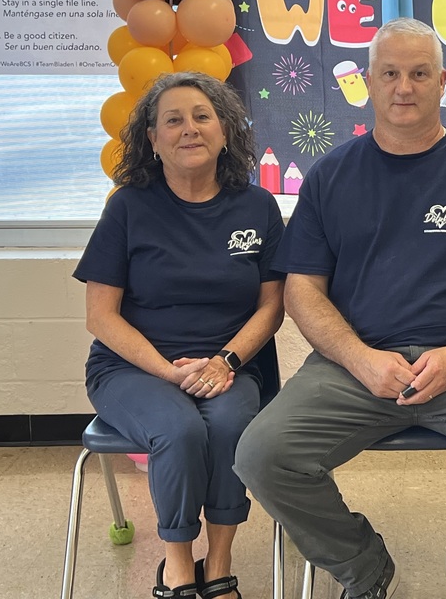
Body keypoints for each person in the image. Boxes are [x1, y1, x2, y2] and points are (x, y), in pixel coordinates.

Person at [234, 18, 446, 599]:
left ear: (443, 82)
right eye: (390, 73)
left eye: (420, 73)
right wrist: (362, 359)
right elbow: (302, 292)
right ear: (368, 82)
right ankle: (362, 567)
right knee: (262, 455)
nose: (404, 87)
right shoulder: (329, 176)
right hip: (353, 366)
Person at [74, 71, 285, 599]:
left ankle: (218, 562)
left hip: (230, 365)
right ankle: (177, 566)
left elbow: (273, 306)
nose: (188, 129)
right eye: (173, 119)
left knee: (231, 422)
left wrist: (225, 363)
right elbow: (101, 317)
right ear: (152, 138)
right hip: (133, 368)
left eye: (202, 116)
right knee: (179, 429)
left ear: (225, 131)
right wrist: (169, 372)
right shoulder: (127, 206)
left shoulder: (257, 206)